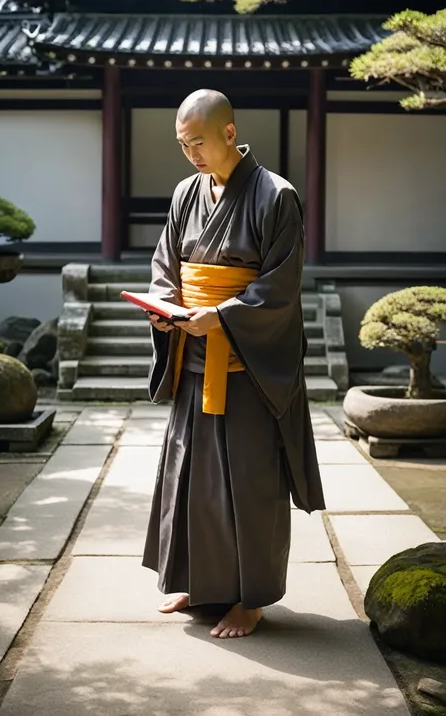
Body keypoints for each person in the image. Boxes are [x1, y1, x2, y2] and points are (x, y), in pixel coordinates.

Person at [142, 89, 325, 640]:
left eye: (198, 141)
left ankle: (250, 600)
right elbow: (165, 263)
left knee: (248, 481)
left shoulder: (275, 196)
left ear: (229, 132)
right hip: (195, 354)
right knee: (191, 475)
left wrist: (221, 316)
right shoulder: (185, 193)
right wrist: (165, 308)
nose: (190, 154)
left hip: (249, 360)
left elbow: (280, 286)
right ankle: (200, 582)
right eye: (182, 144)